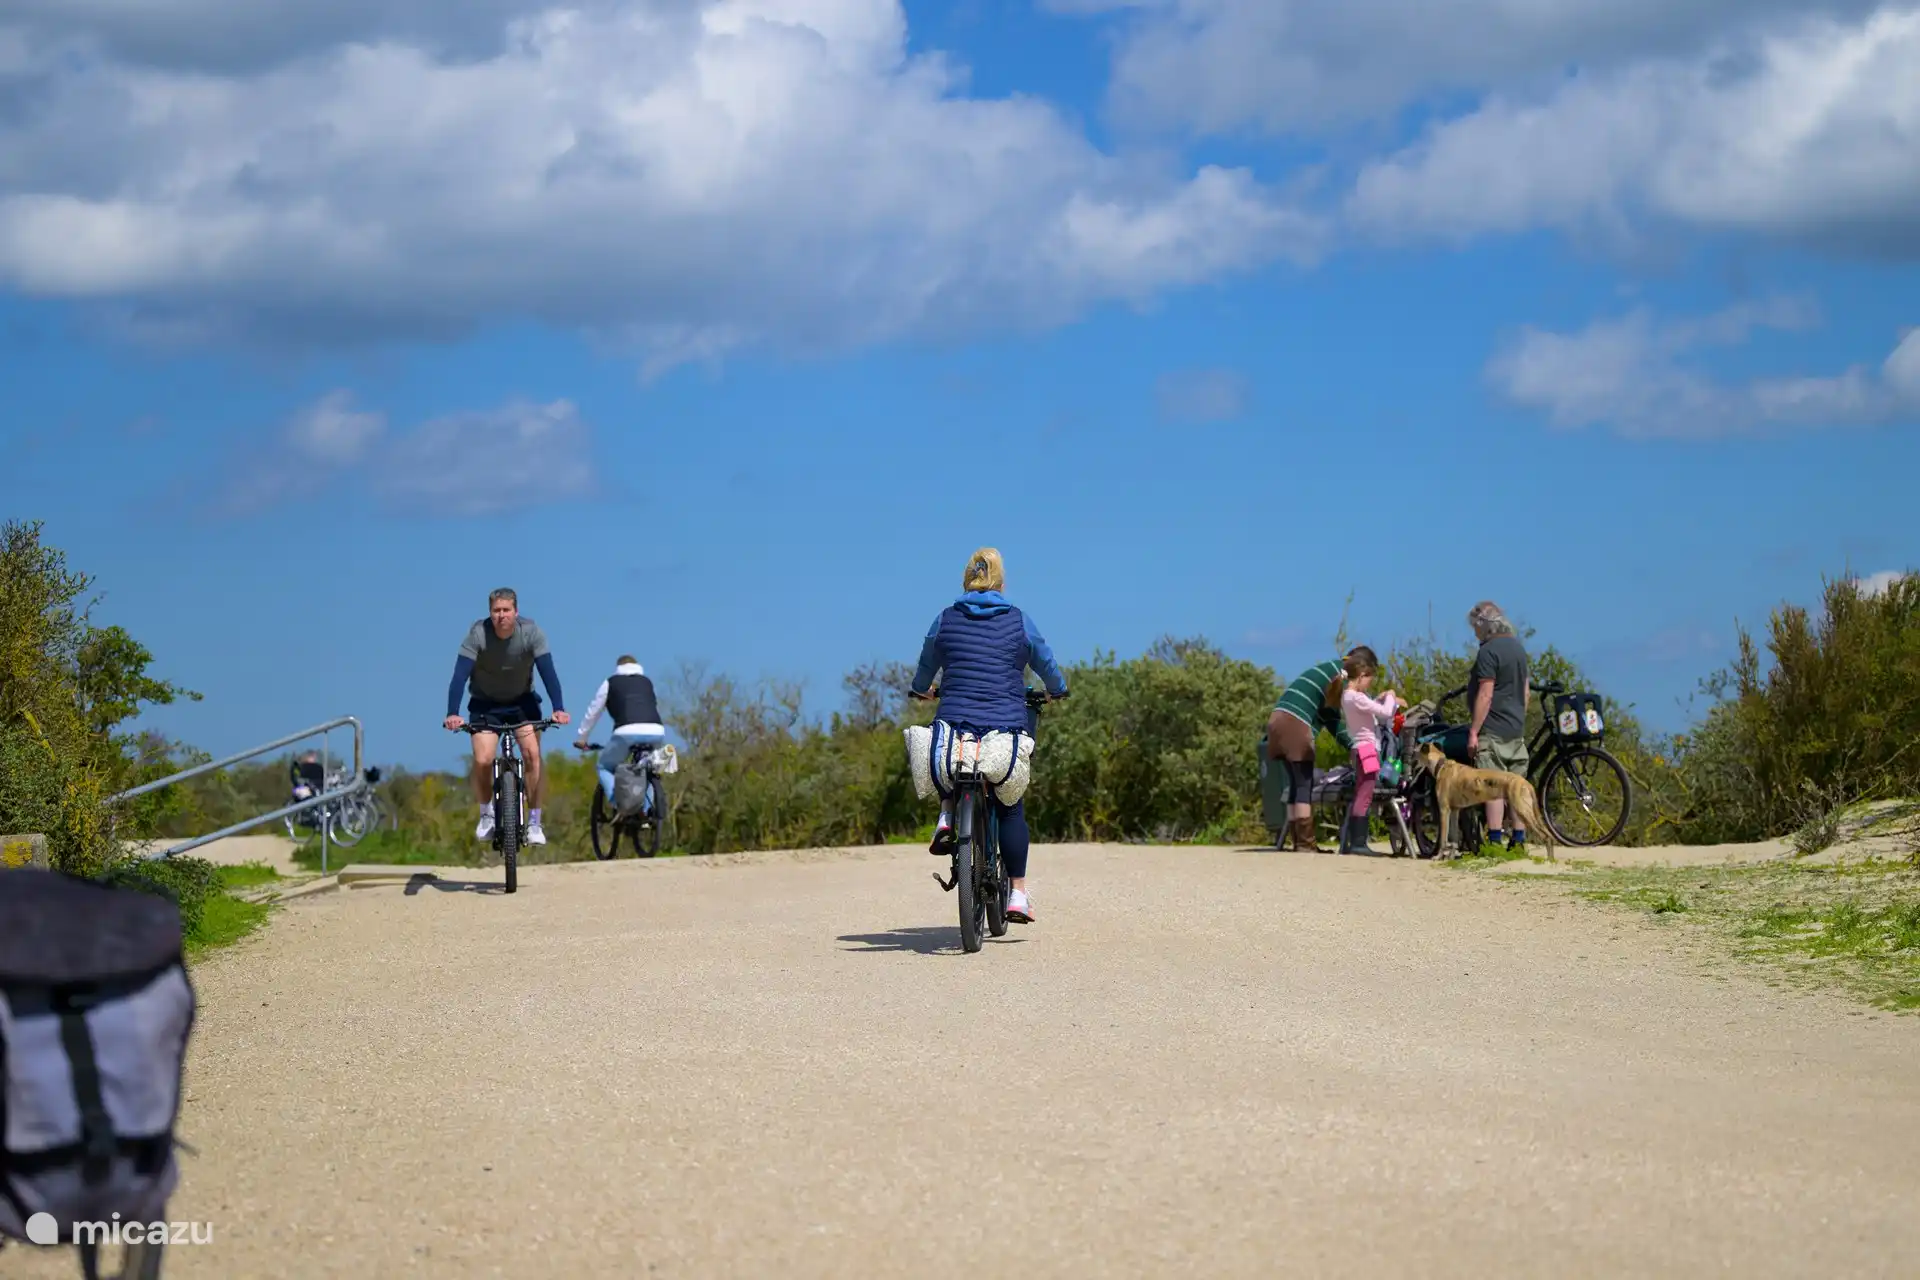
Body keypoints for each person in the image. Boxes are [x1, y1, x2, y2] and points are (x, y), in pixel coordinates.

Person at [908, 547, 1068, 925]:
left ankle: (948, 815)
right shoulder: (1018, 620)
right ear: (1001, 582)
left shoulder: (945, 619)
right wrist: (1056, 689)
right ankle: (1017, 893)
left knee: (949, 761)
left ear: (967, 580)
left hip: (956, 719)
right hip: (1005, 722)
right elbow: (1045, 661)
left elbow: (926, 663)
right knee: (1010, 804)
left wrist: (922, 689)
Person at [442, 588, 569, 845]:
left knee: (532, 755)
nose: (501, 616)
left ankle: (534, 821)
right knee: (484, 759)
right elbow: (458, 677)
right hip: (485, 705)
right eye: (496, 611)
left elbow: (548, 673)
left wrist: (558, 708)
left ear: (516, 611)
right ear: (490, 613)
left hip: (522, 703)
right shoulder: (478, 634)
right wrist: (452, 713)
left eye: (506, 610)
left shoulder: (531, 633)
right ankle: (486, 814)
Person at [1266, 649, 1362, 852]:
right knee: (1304, 785)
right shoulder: (1341, 678)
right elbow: (1333, 720)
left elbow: (1327, 715)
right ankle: (1306, 844)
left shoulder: (1328, 669)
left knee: (1295, 783)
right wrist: (1353, 745)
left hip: (1277, 721)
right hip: (1295, 723)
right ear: (1362, 671)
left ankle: (1298, 841)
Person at [1465, 599, 1531, 850]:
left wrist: (1474, 731)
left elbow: (1486, 694)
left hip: (1492, 729)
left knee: (1493, 787)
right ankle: (1518, 841)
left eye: (1475, 627)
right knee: (1516, 787)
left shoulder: (1488, 651)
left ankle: (1494, 840)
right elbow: (1525, 693)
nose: (1474, 632)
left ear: (1484, 625)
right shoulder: (1518, 649)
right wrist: (1518, 719)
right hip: (1516, 729)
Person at [574, 656, 668, 810]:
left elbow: (593, 712)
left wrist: (582, 738)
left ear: (618, 667)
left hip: (626, 732)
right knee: (650, 769)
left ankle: (618, 804)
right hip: (656, 731)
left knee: (604, 766)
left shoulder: (611, 682)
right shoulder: (647, 682)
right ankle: (646, 811)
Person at [1337, 647, 1399, 854]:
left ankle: (1354, 841)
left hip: (1359, 748)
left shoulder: (1348, 696)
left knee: (1360, 793)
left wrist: (1378, 699)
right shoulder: (1356, 697)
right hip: (1368, 750)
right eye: (1369, 679)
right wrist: (1391, 695)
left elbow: (1373, 710)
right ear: (1362, 675)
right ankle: (1358, 843)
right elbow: (1386, 712)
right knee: (1365, 794)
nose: (1370, 684)